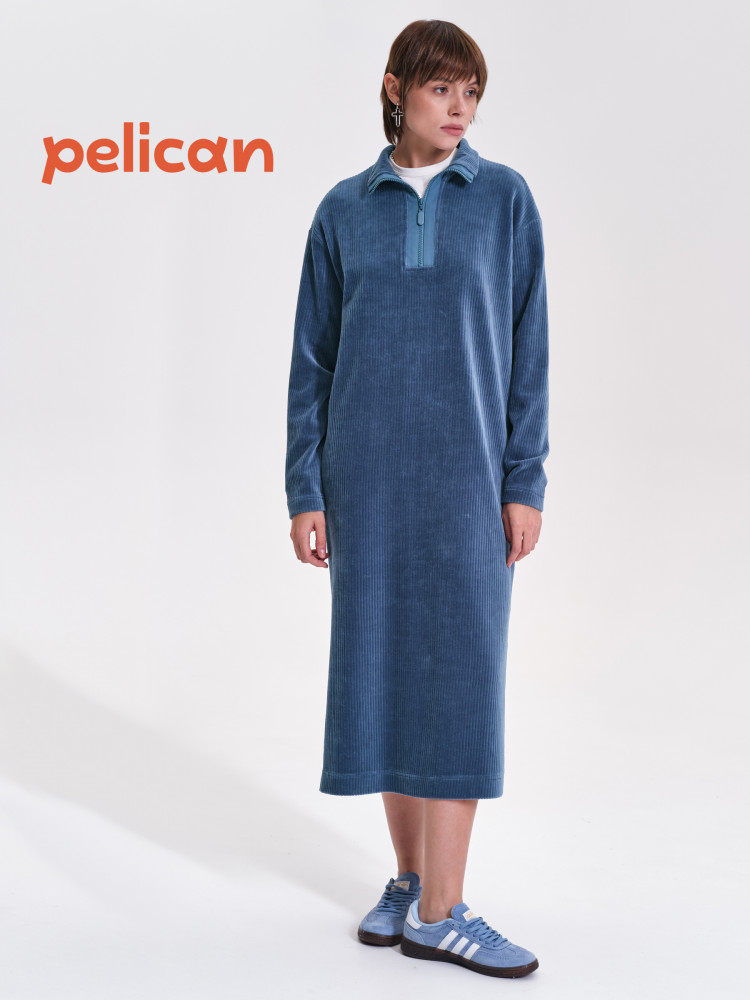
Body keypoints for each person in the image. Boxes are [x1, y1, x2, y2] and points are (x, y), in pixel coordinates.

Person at [285, 19, 549, 980]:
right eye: (443, 90)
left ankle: (443, 910)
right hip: (367, 481)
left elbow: (530, 353)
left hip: (471, 481)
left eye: (472, 93)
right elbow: (311, 362)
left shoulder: (505, 200)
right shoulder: (342, 211)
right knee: (387, 670)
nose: (460, 109)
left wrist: (525, 481)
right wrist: (305, 487)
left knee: (463, 675)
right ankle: (410, 882)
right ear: (396, 88)